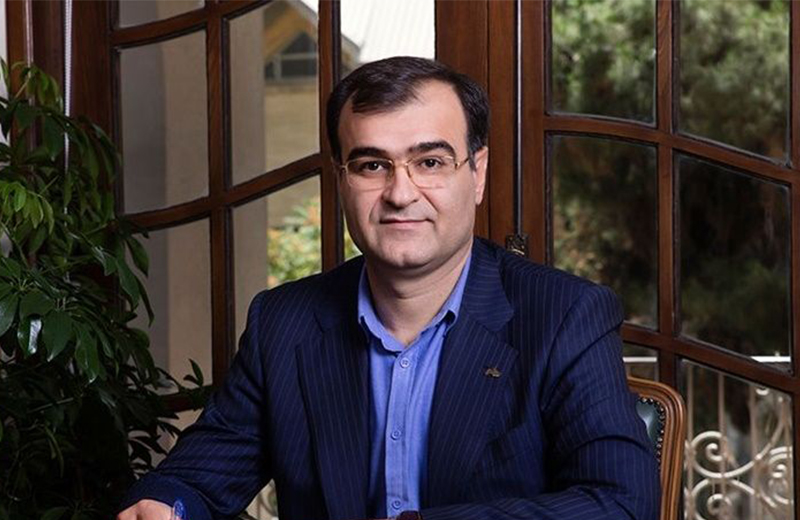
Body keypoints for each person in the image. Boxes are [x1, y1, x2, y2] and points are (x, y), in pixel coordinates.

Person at [118, 56, 659, 520]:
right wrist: (166, 504)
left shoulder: (564, 315)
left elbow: (620, 503)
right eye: (372, 165)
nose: (401, 193)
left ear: (476, 173)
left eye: (430, 162)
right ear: (341, 180)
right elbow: (197, 477)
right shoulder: (282, 322)